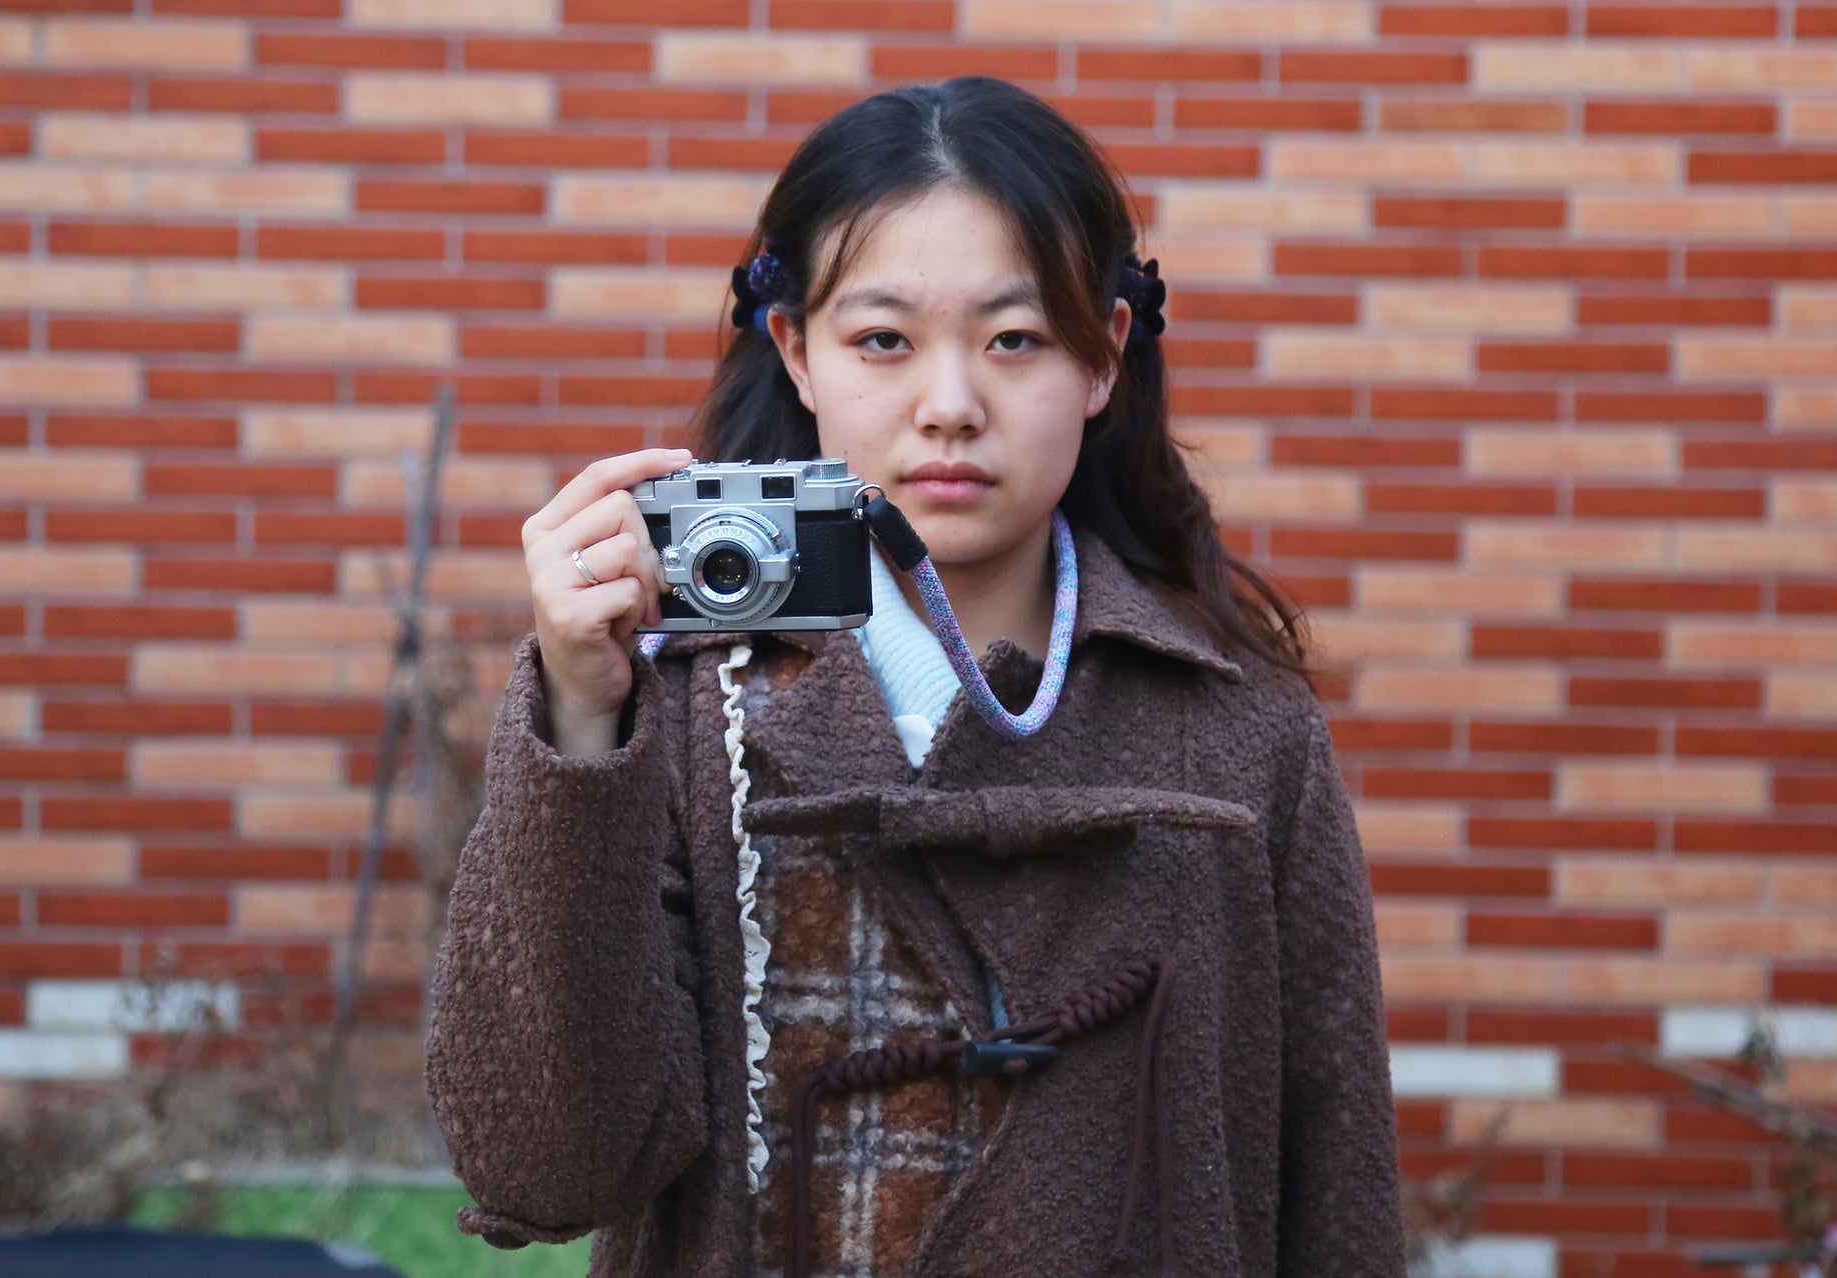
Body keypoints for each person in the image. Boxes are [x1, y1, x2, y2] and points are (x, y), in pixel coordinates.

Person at [425, 76, 1403, 1278]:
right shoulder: (675, 708)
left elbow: (1336, 1186)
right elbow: (543, 1170)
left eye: (1015, 340)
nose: (949, 407)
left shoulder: (1242, 727)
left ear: (1103, 358)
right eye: (882, 340)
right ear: (794, 352)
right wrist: (579, 722)